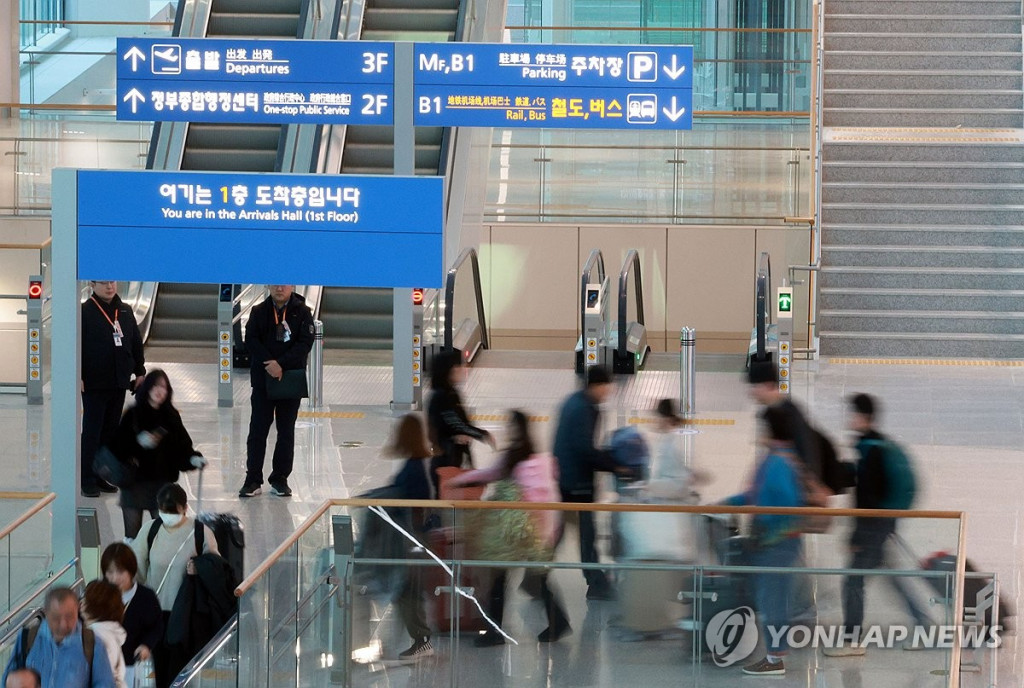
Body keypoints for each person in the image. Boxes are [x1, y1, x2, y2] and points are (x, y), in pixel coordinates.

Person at [449, 411, 570, 645]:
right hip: (544, 528)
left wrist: (459, 480)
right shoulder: (543, 460)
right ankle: (558, 623)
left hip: (518, 530)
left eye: (509, 426)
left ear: (515, 430)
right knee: (539, 578)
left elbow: (490, 474)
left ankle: (494, 631)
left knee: (498, 578)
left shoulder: (513, 458)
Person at [824, 393, 930, 657]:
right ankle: (924, 625)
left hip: (874, 527)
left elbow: (867, 499)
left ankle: (852, 641)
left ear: (863, 416)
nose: (849, 418)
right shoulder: (872, 445)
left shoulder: (870, 450)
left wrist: (857, 536)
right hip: (883, 524)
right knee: (893, 577)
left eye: (852, 413)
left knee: (852, 582)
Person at [723, 406, 805, 676]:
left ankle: (774, 659)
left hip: (778, 543)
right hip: (772, 542)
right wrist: (729, 504)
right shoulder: (777, 458)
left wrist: (763, 519)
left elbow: (789, 504)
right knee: (767, 596)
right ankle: (772, 653)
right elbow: (755, 495)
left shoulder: (779, 462)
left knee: (773, 599)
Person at [130, 484, 218, 687]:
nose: (168, 516)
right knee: (161, 670)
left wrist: (200, 568)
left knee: (180, 671)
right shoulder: (150, 530)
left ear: (185, 507)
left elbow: (217, 569)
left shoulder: (200, 533)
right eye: (164, 511)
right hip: (157, 615)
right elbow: (137, 570)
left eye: (173, 511)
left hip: (187, 615)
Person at [106, 370, 206, 539]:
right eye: (155, 386)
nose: (159, 391)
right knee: (132, 536)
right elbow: (117, 447)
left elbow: (182, 447)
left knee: (163, 535)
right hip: (134, 484)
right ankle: (134, 565)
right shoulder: (133, 414)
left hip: (162, 485)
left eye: (164, 387)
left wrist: (193, 458)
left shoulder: (171, 416)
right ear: (147, 388)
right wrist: (138, 443)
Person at [239, 285, 315, 498]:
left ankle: (280, 478)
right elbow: (251, 340)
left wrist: (280, 364)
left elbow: (304, 343)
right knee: (258, 430)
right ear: (268, 286)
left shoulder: (302, 312)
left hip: (289, 380)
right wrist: (270, 364)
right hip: (264, 380)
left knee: (286, 430)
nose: (280, 288)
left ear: (292, 287)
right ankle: (253, 478)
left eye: (284, 283)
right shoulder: (258, 311)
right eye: (275, 283)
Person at [552, 365, 620, 600]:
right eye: (606, 386)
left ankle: (535, 574)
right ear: (596, 386)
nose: (608, 391)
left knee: (560, 531)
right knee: (586, 533)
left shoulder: (573, 401)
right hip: (576, 482)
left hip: (565, 477)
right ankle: (595, 582)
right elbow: (584, 449)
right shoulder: (585, 409)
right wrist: (614, 465)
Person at [81, 280, 146, 498]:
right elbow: (76, 346)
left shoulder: (125, 311)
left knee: (109, 432)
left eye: (112, 282)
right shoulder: (85, 312)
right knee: (92, 431)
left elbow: (135, 342)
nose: (109, 287)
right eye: (104, 283)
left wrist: (140, 371)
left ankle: (101, 474)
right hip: (94, 383)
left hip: (118, 382)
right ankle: (87, 478)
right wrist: (78, 376)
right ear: (92, 285)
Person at [379, 414, 435, 661]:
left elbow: (411, 505)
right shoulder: (417, 464)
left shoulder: (414, 468)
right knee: (407, 590)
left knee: (406, 590)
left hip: (411, 540)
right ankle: (418, 638)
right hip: (413, 539)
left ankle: (421, 639)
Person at [2, 587, 116, 688]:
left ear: (78, 610)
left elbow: (105, 684)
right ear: (46, 613)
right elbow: (8, 680)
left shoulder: (92, 643)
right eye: (56, 618)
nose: (63, 624)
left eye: (69, 617)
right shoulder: (27, 638)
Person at [426, 350, 494, 495]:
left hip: (453, 460)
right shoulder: (441, 396)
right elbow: (455, 423)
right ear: (449, 369)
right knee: (450, 508)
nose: (463, 370)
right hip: (446, 463)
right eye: (459, 366)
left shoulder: (450, 393)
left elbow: (457, 425)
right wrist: (481, 434)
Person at [101, 543, 163, 687]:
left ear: (131, 570)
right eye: (110, 572)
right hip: (102, 664)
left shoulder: (145, 597)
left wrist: (146, 645)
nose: (115, 578)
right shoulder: (99, 595)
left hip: (131, 665)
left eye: (120, 572)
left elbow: (156, 626)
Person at [81, 580, 127, 688]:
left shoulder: (97, 635)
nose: (81, 603)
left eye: (85, 599)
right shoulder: (108, 633)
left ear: (97, 605)